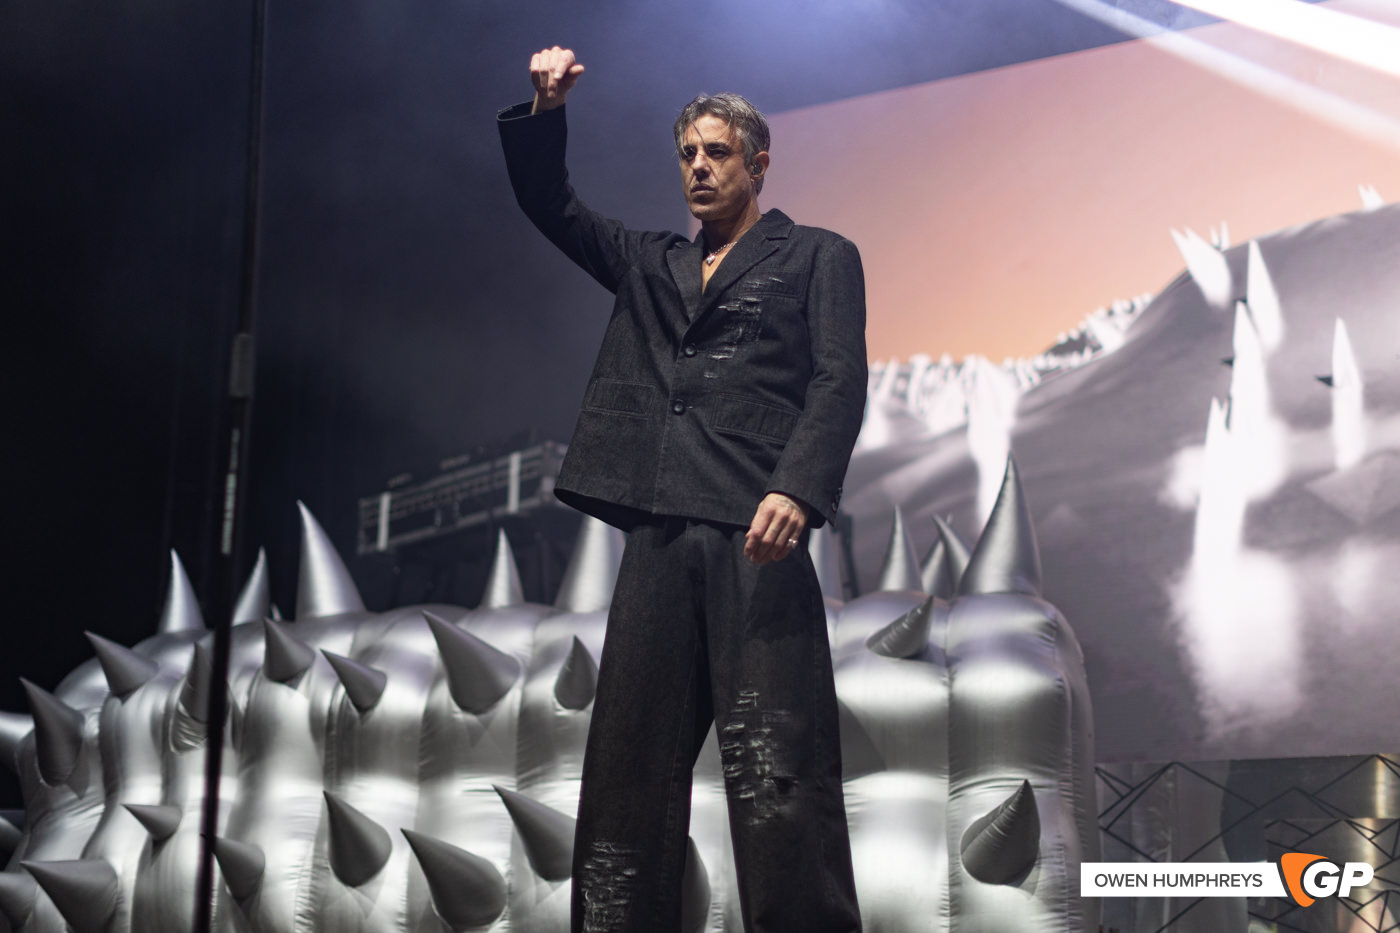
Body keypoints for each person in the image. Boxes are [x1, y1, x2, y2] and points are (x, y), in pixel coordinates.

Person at [498, 46, 866, 933]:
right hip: (658, 541)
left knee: (777, 767)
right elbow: (551, 205)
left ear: (758, 162)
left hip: (755, 538)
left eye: (717, 153)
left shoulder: (819, 255)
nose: (700, 167)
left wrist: (799, 489)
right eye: (688, 155)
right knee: (627, 772)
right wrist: (545, 110)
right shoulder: (651, 261)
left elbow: (839, 382)